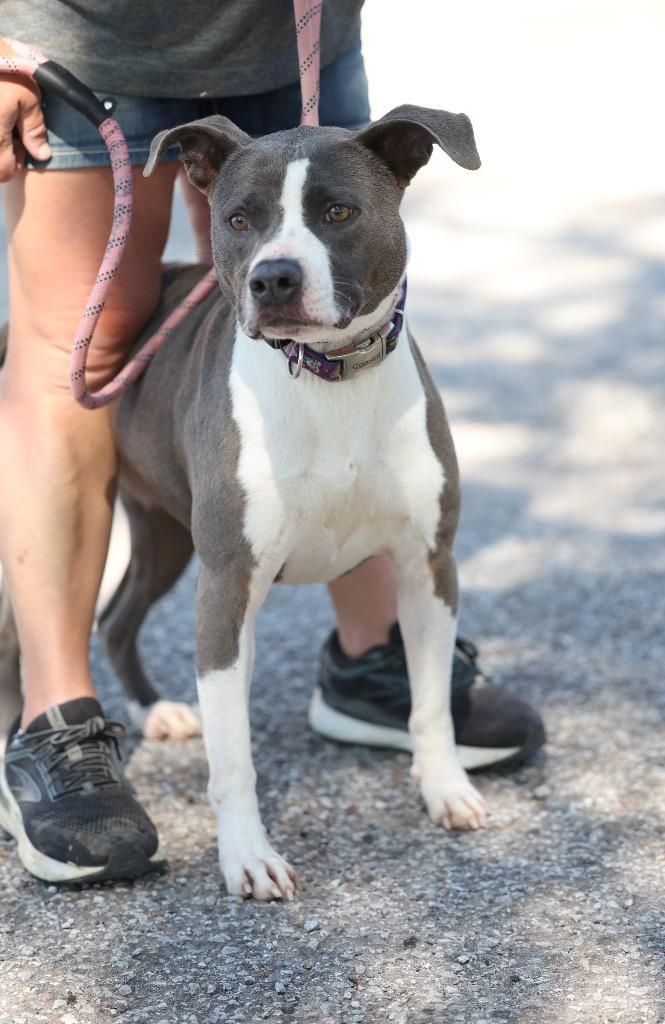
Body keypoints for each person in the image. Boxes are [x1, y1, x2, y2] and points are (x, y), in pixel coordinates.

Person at [0, 1, 544, 884]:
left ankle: (380, 676)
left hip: (292, 32)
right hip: (86, 36)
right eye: (247, 229)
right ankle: (49, 720)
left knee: (413, 537)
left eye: (338, 212)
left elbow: (434, 563)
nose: (275, 267)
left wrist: (437, 757)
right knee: (75, 344)